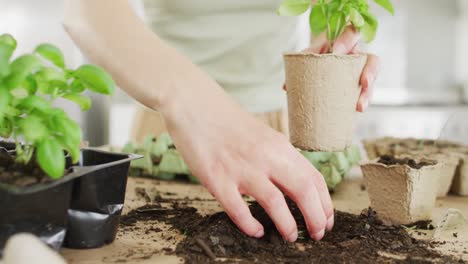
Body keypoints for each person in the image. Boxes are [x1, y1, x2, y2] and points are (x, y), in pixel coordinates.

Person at [63, 0, 379, 243]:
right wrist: (191, 101)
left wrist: (335, 43)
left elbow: (328, 17)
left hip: (276, 135)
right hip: (173, 128)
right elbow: (85, 9)